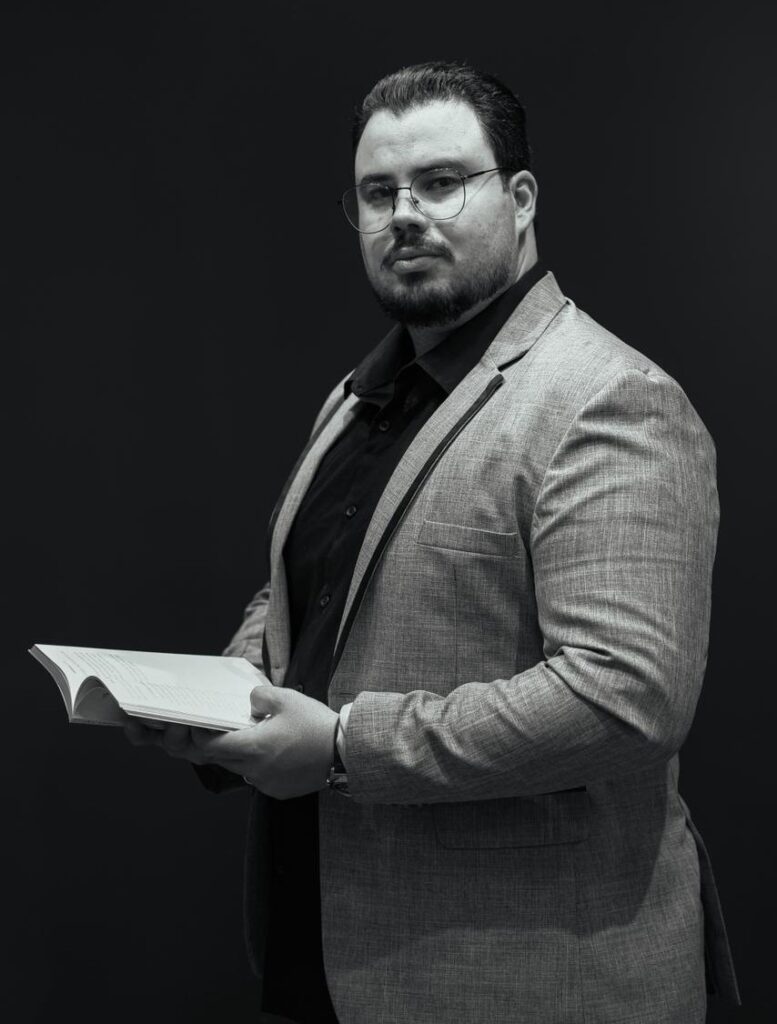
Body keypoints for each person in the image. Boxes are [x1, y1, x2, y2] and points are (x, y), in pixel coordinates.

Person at [126, 61, 741, 1024]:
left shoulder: (610, 400)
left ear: (521, 199)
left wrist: (342, 748)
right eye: (378, 194)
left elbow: (624, 697)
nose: (404, 214)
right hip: (323, 953)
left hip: (528, 979)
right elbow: (301, 595)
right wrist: (224, 703)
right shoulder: (354, 398)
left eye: (441, 182)